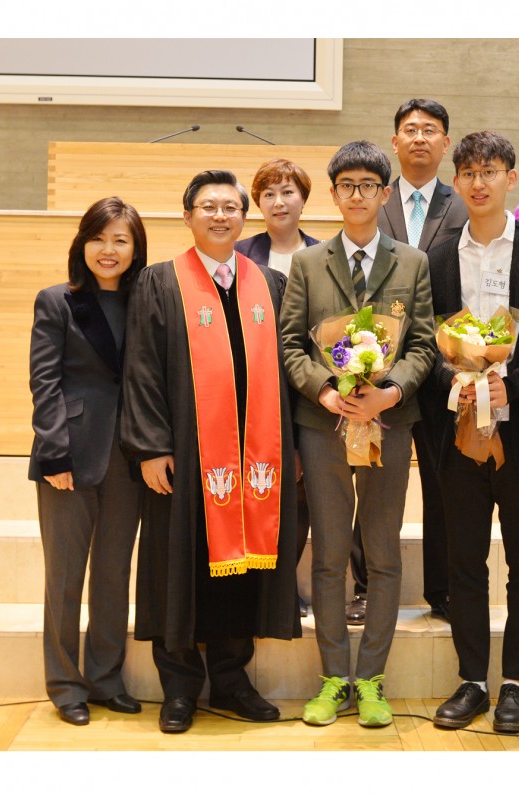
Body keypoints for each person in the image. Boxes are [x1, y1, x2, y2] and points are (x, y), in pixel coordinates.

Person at [121, 169, 300, 734]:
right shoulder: (159, 282)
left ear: (244, 217)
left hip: (254, 459)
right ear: (187, 216)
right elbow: (142, 369)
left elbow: (288, 371)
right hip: (183, 456)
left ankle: (230, 678)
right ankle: (179, 687)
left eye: (230, 207)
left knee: (240, 569)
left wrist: (290, 447)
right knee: (178, 563)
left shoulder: (269, 285)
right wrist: (151, 447)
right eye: (208, 206)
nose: (220, 216)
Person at [426, 131, 519, 733]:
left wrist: (511, 384)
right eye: (468, 173)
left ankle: (517, 681)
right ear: (456, 182)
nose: (479, 182)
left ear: (511, 177)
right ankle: (472, 681)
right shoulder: (439, 258)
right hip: (459, 434)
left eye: (489, 171)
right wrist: (454, 382)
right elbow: (425, 341)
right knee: (464, 562)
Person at [281, 141, 435, 728]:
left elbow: (423, 345)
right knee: (327, 554)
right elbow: (290, 345)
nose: (357, 195)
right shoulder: (307, 263)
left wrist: (389, 392)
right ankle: (332, 677)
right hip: (323, 425)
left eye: (368, 185)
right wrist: (325, 390)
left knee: (382, 551)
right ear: (333, 193)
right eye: (347, 185)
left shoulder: (412, 263)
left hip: (389, 424)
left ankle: (371, 678)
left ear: (385, 193)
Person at [348, 98, 469, 627]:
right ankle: (365, 587)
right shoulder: (372, 199)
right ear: (394, 141)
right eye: (410, 129)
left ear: (446, 143)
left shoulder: (463, 203)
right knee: (372, 486)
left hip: (443, 371)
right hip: (377, 372)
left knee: (445, 485)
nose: (420, 137)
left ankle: (444, 590)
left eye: (430, 130)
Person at [28, 196, 147, 726]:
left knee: (114, 572)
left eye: (120, 239)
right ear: (82, 243)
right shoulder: (57, 301)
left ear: (136, 248)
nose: (108, 249)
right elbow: (45, 382)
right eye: (98, 238)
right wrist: (54, 451)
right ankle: (64, 685)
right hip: (69, 454)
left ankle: (105, 679)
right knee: (65, 575)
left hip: (130, 455)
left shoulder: (146, 300)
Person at [235, 159, 322, 617]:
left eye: (288, 192)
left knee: (300, 489)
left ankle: (284, 586)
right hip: (251, 391)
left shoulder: (325, 254)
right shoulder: (240, 253)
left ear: (303, 199)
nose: (278, 202)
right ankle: (252, 587)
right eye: (268, 194)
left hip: (309, 390)